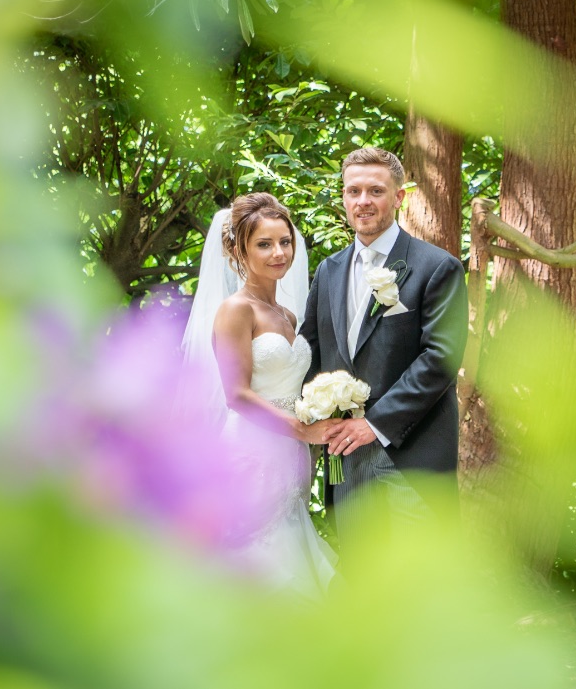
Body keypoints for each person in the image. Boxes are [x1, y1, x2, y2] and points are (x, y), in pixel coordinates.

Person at [300, 147, 468, 539]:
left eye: (375, 191)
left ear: (398, 197)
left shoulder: (437, 267)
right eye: (353, 191)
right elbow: (311, 352)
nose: (363, 201)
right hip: (347, 457)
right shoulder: (328, 271)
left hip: (413, 455)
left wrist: (374, 424)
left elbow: (441, 358)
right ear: (343, 196)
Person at [181, 193, 338, 600]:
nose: (279, 252)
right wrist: (303, 431)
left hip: (289, 452)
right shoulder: (236, 310)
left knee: (291, 535)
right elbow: (236, 395)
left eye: (284, 241)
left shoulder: (286, 315)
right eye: (264, 244)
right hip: (253, 446)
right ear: (239, 250)